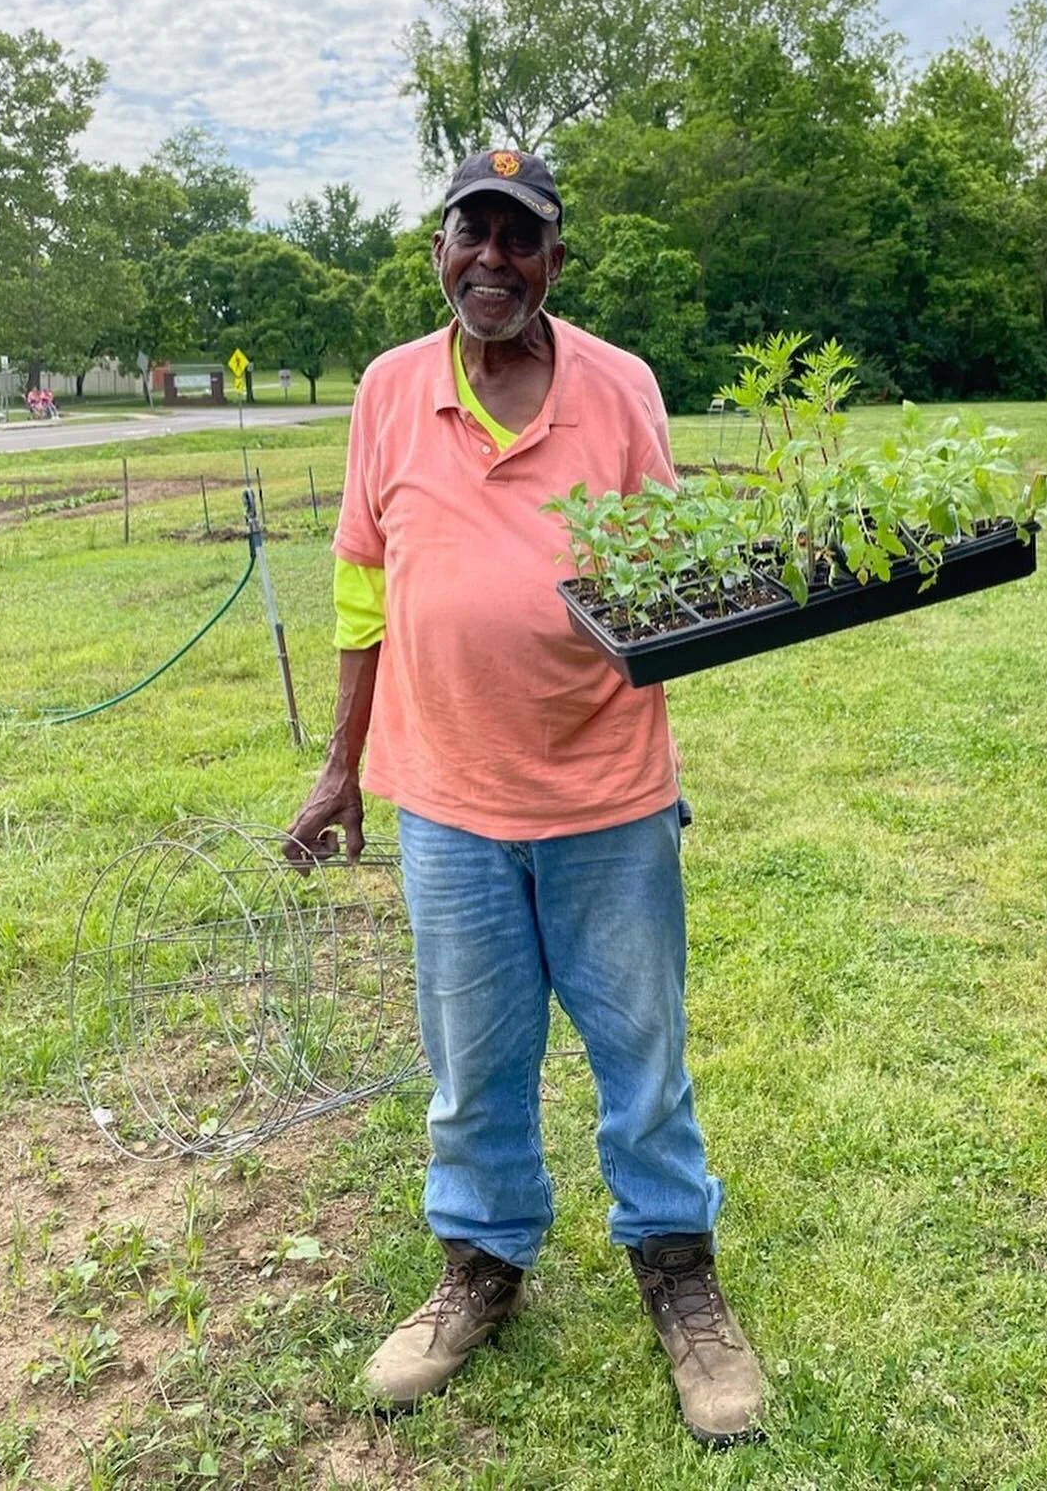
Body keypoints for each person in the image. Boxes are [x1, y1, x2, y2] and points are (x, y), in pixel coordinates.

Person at [287, 148, 765, 1447]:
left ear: (556, 259)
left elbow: (670, 579)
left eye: (520, 237)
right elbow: (357, 587)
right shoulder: (389, 392)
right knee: (472, 1067)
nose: (491, 258)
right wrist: (341, 768)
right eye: (470, 231)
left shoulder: (620, 390)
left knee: (642, 1059)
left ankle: (683, 1280)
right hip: (443, 798)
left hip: (607, 795)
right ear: (436, 248)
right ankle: (478, 1273)